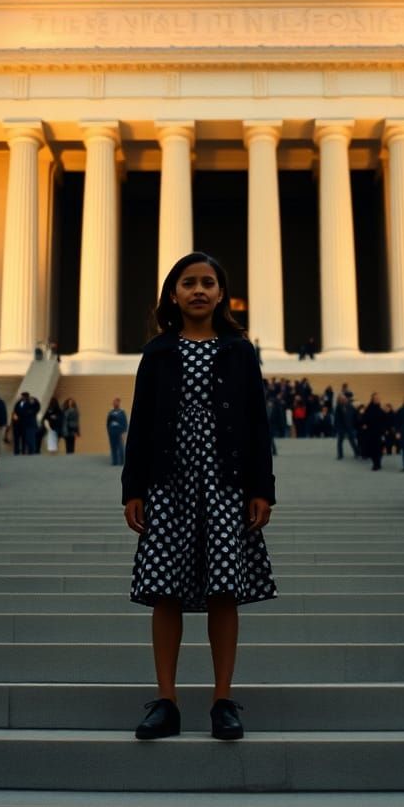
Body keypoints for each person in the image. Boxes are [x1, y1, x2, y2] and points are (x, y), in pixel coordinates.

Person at [122, 252, 276, 742]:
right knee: (164, 591)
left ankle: (222, 701)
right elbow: (140, 424)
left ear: (221, 294)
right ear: (173, 293)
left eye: (209, 282)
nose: (199, 290)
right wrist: (133, 489)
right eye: (189, 282)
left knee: (223, 590)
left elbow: (257, 425)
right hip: (169, 482)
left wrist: (261, 490)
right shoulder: (158, 352)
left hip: (225, 482)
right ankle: (165, 701)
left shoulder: (238, 351)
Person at [333, 394, 359, 459]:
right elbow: (336, 418)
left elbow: (355, 414)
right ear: (339, 400)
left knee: (352, 440)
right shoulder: (338, 407)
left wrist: (355, 424)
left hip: (349, 426)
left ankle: (357, 453)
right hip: (341, 427)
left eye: (344, 399)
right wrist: (337, 427)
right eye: (341, 399)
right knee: (340, 442)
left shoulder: (350, 406)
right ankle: (340, 455)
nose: (344, 400)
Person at [106, 396, 128, 466]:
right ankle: (115, 462)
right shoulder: (111, 412)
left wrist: (124, 431)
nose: (115, 403)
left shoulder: (122, 412)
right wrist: (109, 430)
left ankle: (122, 462)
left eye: (116, 402)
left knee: (120, 446)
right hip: (112, 431)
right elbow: (108, 422)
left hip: (119, 431)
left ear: (119, 403)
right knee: (113, 447)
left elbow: (125, 422)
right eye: (114, 402)